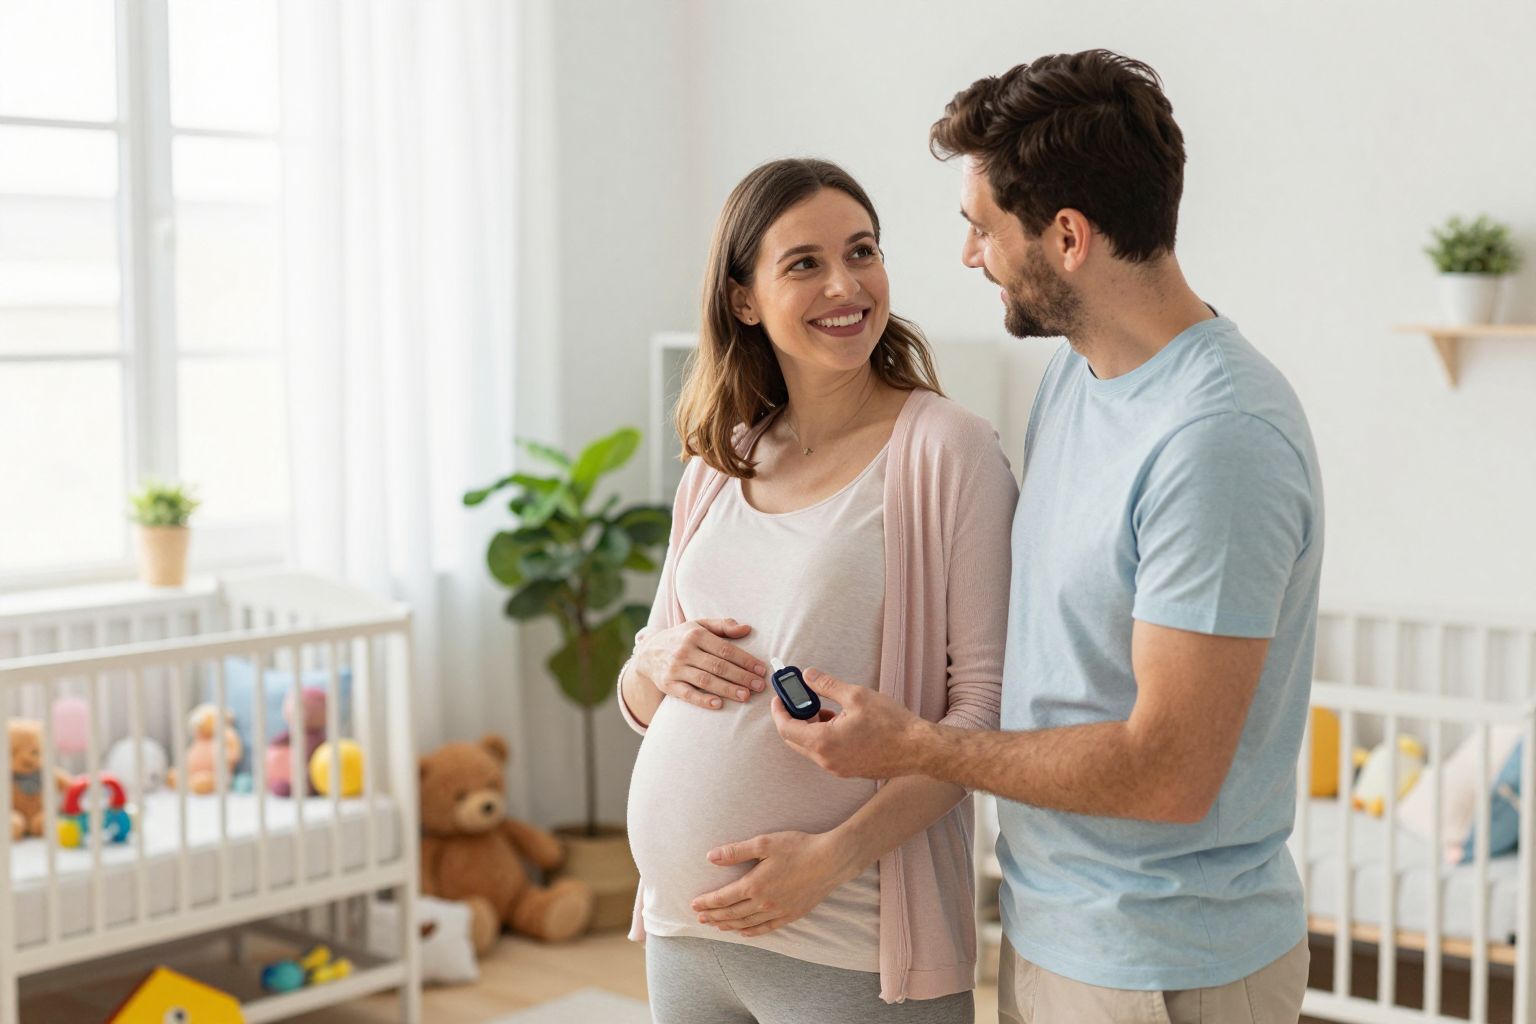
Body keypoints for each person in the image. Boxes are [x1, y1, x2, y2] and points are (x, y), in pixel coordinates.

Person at [774, 51, 1324, 1024]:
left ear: (1067, 236)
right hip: (1054, 932)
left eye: (982, 228)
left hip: (1165, 965)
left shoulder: (1218, 441)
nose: (968, 256)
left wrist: (921, 746)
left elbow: (1168, 771)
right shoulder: (1077, 377)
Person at [616, 157, 1017, 1023]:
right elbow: (643, 697)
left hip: (850, 941)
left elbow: (981, 716)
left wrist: (831, 858)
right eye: (804, 263)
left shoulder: (948, 452)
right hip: (687, 935)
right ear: (744, 299)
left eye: (862, 251)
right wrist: (656, 657)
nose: (847, 284)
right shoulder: (720, 460)